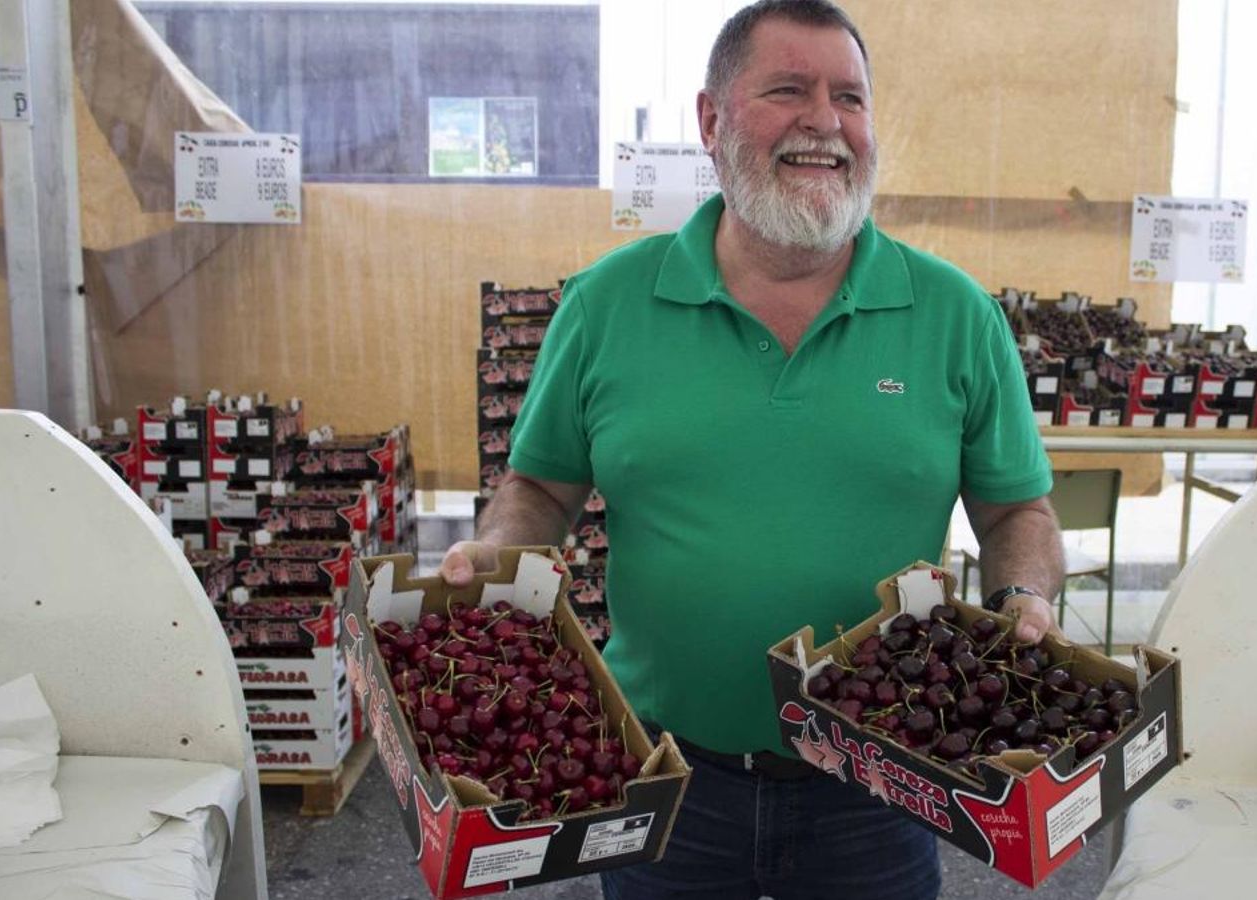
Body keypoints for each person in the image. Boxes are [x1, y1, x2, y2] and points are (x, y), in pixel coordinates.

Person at [443, 1, 1067, 896]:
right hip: (664, 779)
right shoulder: (607, 305)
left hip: (881, 783)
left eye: (849, 98)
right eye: (788, 90)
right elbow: (541, 488)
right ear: (711, 120)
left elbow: (1017, 511)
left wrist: (1025, 599)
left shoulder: (956, 316)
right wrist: (495, 555)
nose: (825, 121)